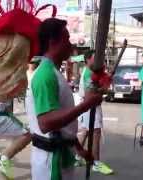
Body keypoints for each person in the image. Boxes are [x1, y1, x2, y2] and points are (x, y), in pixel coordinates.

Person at [26, 18, 103, 180]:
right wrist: (86, 105)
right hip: (51, 163)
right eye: (66, 38)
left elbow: (63, 127)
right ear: (53, 42)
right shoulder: (45, 75)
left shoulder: (54, 72)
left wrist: (79, 149)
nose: (70, 44)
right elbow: (46, 123)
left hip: (62, 157)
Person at [75, 50, 113, 175]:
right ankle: (96, 163)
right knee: (96, 133)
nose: (97, 61)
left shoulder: (92, 72)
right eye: (94, 58)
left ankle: (77, 157)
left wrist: (106, 82)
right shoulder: (88, 73)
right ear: (88, 60)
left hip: (88, 106)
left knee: (86, 132)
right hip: (90, 107)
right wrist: (105, 88)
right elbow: (92, 94)